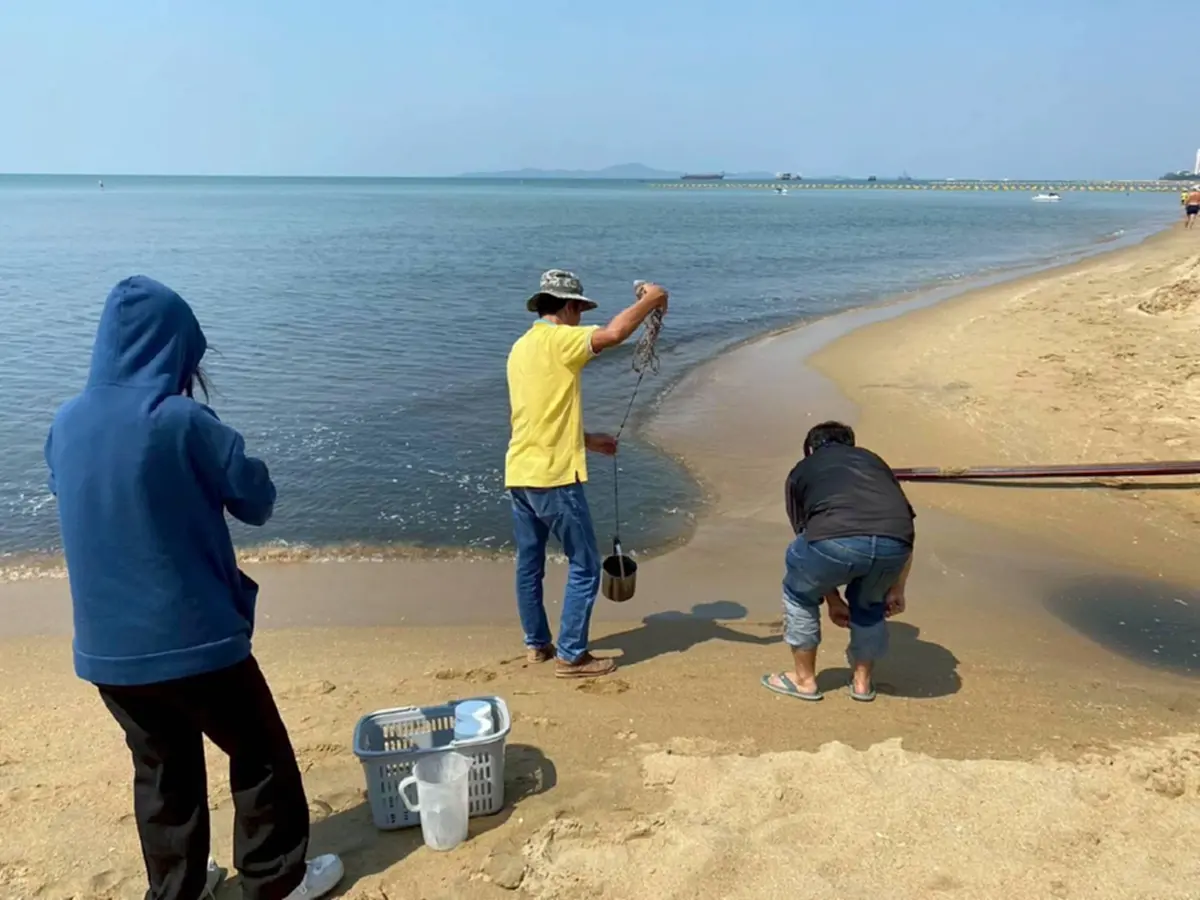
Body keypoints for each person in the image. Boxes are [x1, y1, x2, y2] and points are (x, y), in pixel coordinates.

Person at [44, 276, 343, 900]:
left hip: (108, 650)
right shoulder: (183, 420)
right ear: (176, 349)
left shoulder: (65, 423)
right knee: (259, 754)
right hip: (194, 636)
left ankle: (178, 889)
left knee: (162, 770)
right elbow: (256, 500)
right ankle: (275, 879)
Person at [505, 270, 669, 678]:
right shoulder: (558, 339)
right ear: (567, 306)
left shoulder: (521, 347)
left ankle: (536, 643)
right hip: (554, 476)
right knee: (585, 565)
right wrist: (653, 298)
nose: (580, 315)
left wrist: (587, 440)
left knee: (530, 565)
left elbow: (537, 412)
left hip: (520, 472)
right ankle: (572, 655)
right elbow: (614, 334)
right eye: (579, 308)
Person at [762, 421, 915, 703]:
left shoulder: (801, 470)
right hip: (894, 544)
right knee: (870, 605)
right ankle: (862, 683)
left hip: (834, 540)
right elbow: (907, 528)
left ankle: (804, 680)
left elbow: (810, 539)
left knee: (798, 593)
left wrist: (830, 598)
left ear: (810, 449)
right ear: (851, 444)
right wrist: (897, 588)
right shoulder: (874, 462)